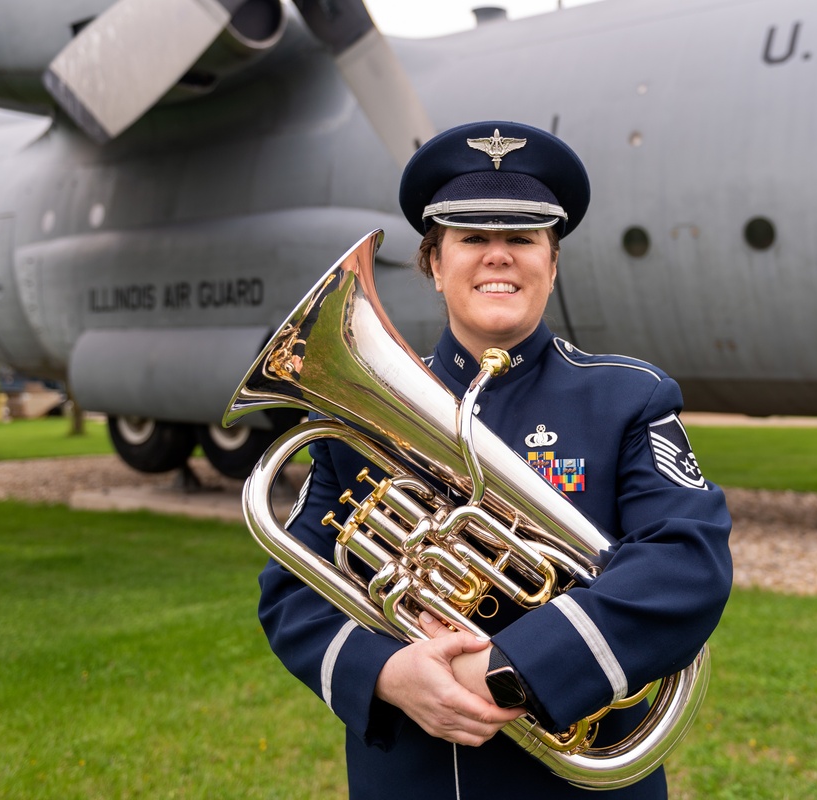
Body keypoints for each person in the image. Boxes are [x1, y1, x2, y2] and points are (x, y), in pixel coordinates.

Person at [258, 121, 733, 799]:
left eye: (522, 238)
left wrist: (511, 667)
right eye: (472, 238)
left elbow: (687, 563)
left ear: (553, 262)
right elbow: (291, 593)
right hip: (409, 776)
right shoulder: (354, 415)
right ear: (433, 263)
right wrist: (388, 674)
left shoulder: (628, 397)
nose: (498, 256)